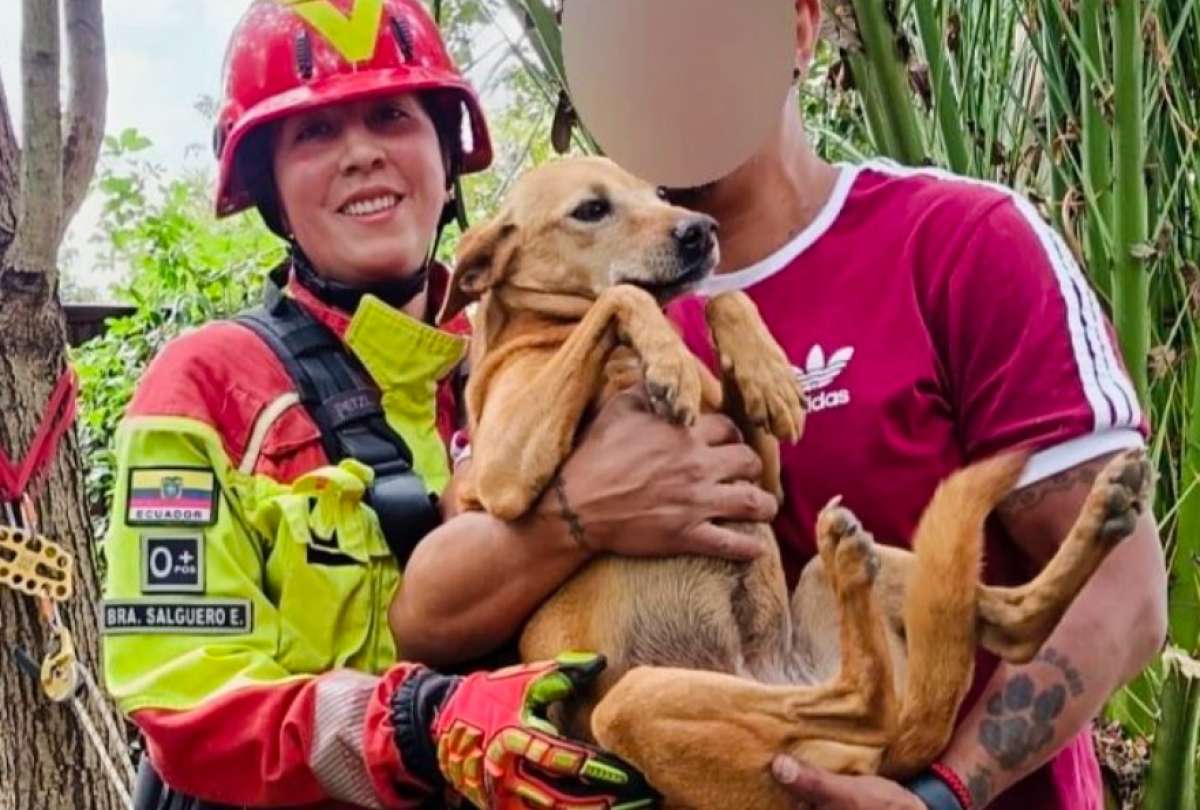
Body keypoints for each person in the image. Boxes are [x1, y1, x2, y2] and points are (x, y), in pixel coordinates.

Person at [394, 2, 1169, 809]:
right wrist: (582, 514)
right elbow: (431, 613)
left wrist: (943, 796)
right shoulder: (558, 316)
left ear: (798, 30)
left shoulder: (962, 241)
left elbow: (1126, 593)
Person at [100, 1, 779, 808]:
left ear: (445, 153)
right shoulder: (204, 386)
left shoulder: (549, 350)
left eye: (392, 116)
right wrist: (417, 725)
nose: (361, 156)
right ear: (267, 188)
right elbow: (181, 695)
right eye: (314, 134)